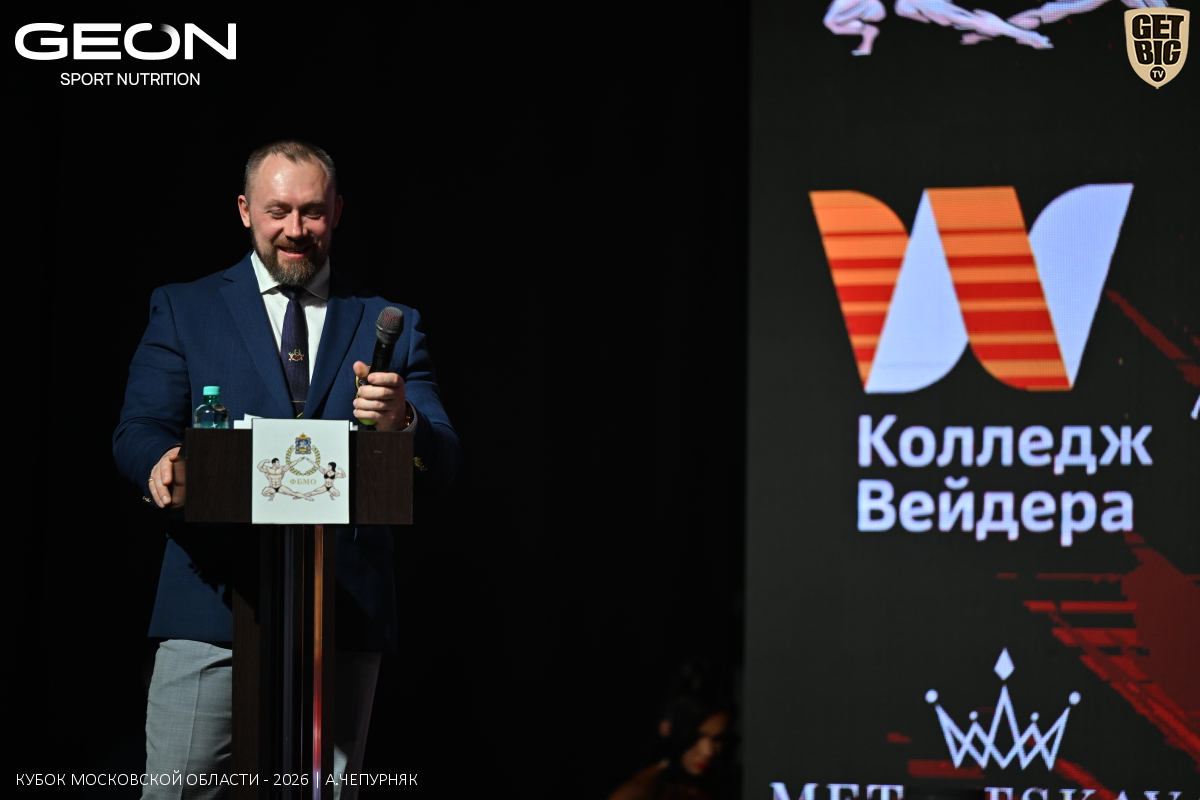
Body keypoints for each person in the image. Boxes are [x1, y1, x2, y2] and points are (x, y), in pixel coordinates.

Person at [113, 140, 459, 799]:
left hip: (342, 609)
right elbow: (138, 429)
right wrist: (160, 463)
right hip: (212, 599)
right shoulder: (185, 308)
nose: (295, 229)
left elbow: (439, 460)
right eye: (278, 211)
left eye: (312, 212)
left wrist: (403, 422)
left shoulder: (392, 322)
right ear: (246, 210)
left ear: (338, 212)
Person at [608, 665, 734, 800]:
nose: (708, 751)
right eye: (696, 736)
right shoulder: (640, 792)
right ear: (667, 728)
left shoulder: (701, 785)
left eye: (718, 739)